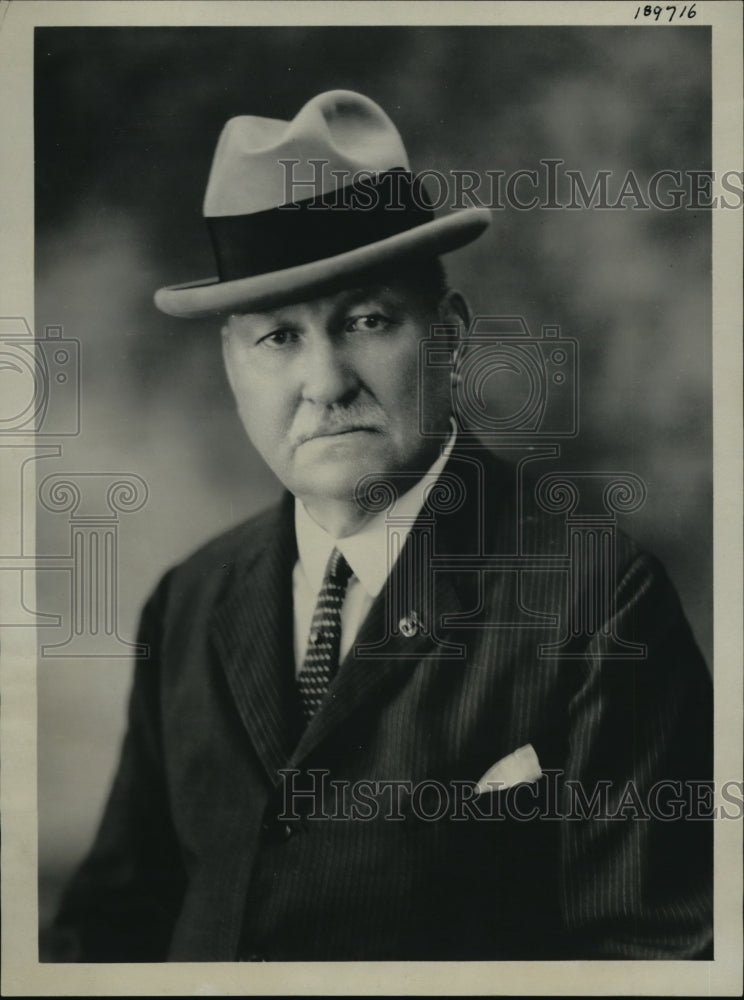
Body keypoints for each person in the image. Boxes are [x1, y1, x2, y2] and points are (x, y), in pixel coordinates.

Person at [49, 90, 712, 962]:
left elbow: (654, 963)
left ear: (451, 336)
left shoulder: (599, 601)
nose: (325, 382)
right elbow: (107, 939)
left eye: (367, 321)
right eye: (278, 338)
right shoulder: (189, 603)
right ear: (233, 367)